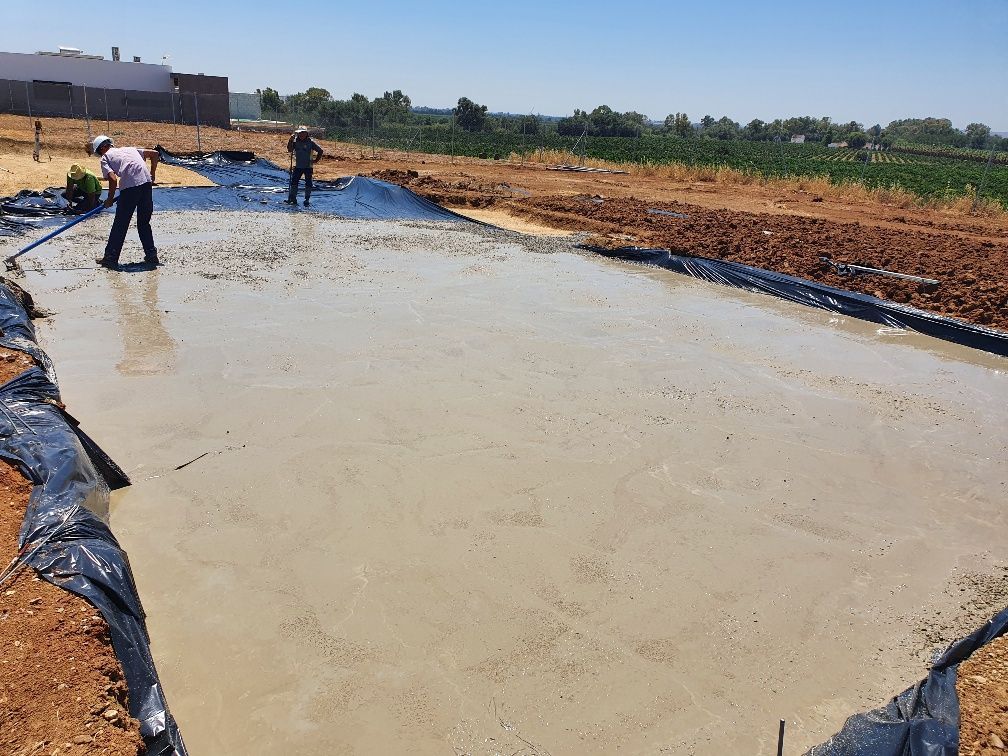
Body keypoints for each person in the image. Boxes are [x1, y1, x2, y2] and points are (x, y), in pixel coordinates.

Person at [91, 135, 160, 270]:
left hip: (130, 188)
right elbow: (155, 154)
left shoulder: (106, 157)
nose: (100, 155)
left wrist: (110, 199)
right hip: (146, 184)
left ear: (102, 148)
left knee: (120, 224)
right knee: (143, 222)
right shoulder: (130, 149)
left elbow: (112, 179)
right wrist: (152, 175)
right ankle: (151, 255)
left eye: (99, 152)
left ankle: (110, 259)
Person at [285, 126, 323, 207]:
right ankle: (293, 198)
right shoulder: (295, 142)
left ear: (306, 133)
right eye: (299, 133)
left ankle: (307, 199)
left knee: (308, 183)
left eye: (303, 133)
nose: (301, 134)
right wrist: (290, 140)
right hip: (298, 166)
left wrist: (316, 160)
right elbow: (290, 149)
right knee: (294, 182)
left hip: (308, 167)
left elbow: (320, 150)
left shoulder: (311, 142)